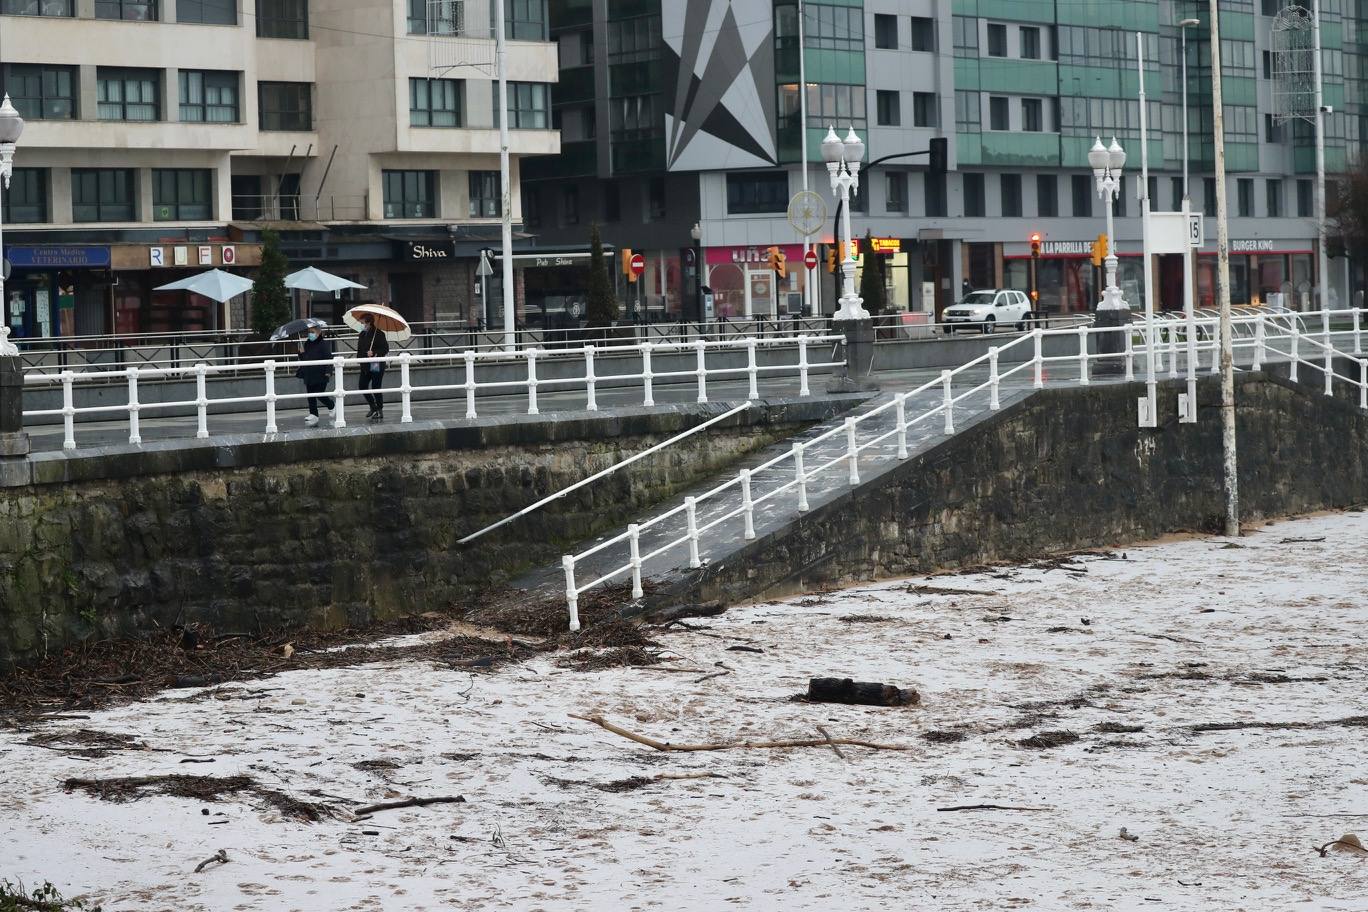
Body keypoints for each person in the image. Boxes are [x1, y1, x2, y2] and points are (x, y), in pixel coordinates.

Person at [296, 326, 335, 426]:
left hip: (321, 373)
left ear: (318, 333)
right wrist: (301, 353)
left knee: (319, 393)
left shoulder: (323, 344)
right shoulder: (307, 343)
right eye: (309, 332)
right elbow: (305, 358)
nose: (310, 334)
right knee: (310, 395)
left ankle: (331, 405)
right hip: (309, 373)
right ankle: (313, 414)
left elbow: (329, 358)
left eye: (312, 332)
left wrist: (329, 371)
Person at [356, 311, 390, 420]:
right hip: (365, 365)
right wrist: (359, 359)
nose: (361, 325)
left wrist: (374, 353)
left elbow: (385, 349)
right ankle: (373, 406)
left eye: (362, 323)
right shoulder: (362, 334)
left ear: (369, 322)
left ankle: (379, 409)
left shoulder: (379, 333)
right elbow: (360, 349)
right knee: (362, 386)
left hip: (376, 365)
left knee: (376, 387)